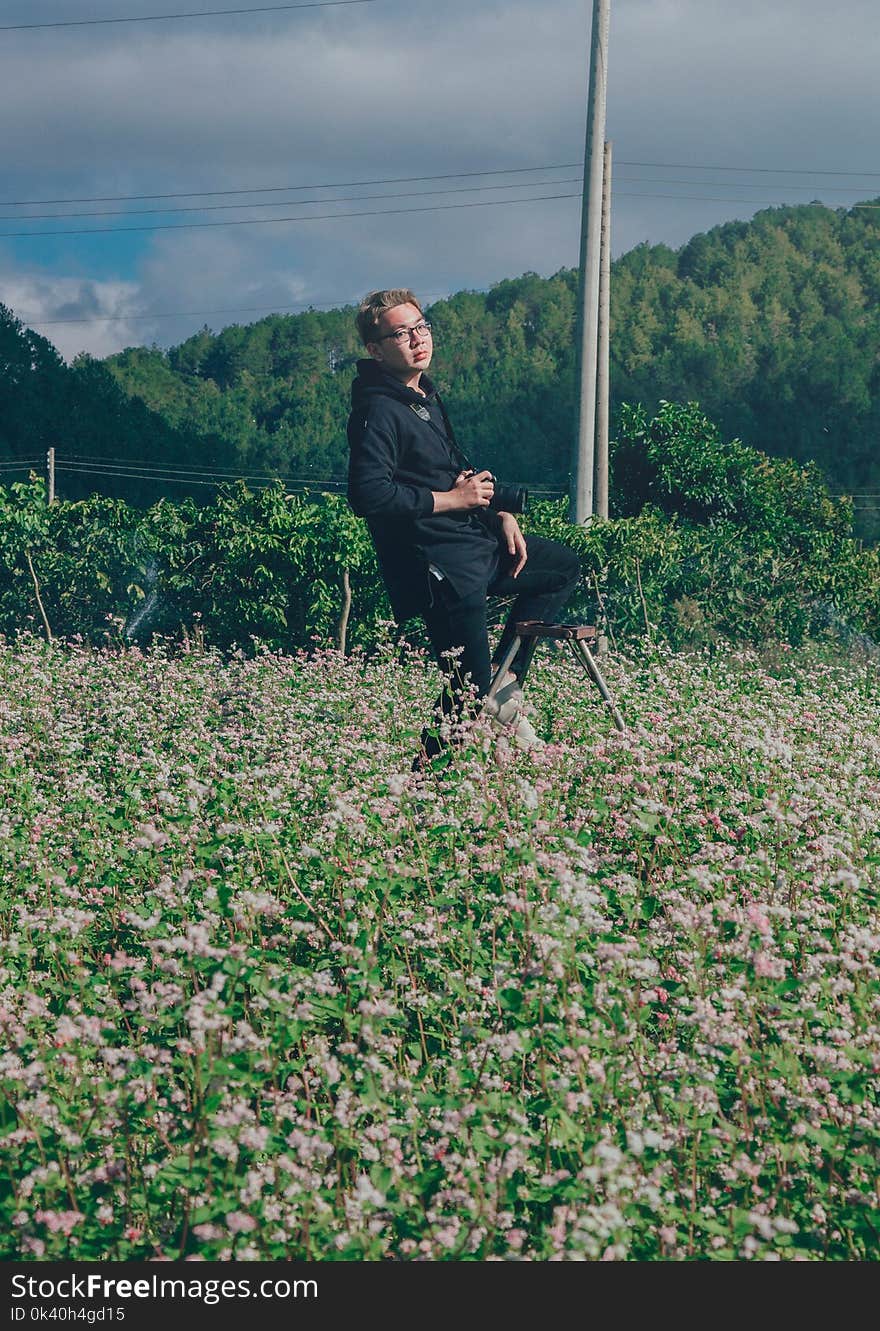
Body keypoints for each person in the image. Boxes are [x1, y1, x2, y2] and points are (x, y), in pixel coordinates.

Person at [346, 287, 580, 767]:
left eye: (422, 326)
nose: (417, 339)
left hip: (474, 544)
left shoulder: (423, 396)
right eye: (401, 333)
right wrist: (451, 499)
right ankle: (421, 785)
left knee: (560, 565)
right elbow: (367, 495)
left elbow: (456, 472)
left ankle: (505, 680)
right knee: (466, 692)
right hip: (438, 567)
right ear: (376, 349)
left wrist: (497, 513)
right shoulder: (377, 409)